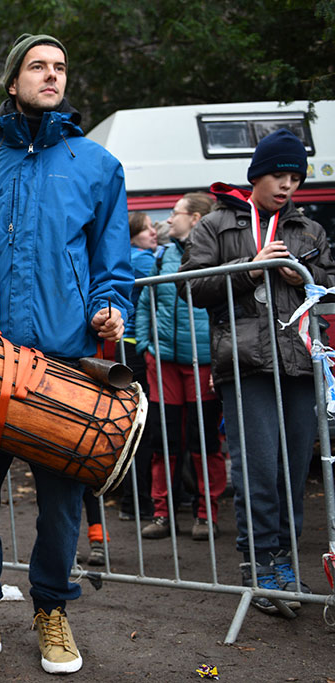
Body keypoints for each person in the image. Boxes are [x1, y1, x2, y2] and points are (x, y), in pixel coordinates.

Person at [0, 34, 132, 673]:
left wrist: (111, 305)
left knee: (62, 504)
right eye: (38, 66)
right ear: (13, 81)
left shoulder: (97, 165)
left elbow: (110, 265)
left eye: (60, 67)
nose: (51, 75)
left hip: (64, 366)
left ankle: (53, 614)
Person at [180, 129, 333, 613]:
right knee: (259, 469)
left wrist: (308, 278)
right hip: (245, 364)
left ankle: (284, 563)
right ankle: (259, 565)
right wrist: (249, 268)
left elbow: (329, 283)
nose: (287, 186)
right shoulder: (217, 224)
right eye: (278, 175)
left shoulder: (307, 230)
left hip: (300, 361)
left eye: (294, 177)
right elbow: (191, 288)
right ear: (255, 176)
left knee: (292, 472)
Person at [137, 192, 224, 542]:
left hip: (202, 363)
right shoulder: (162, 256)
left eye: (175, 213)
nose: (169, 220)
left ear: (198, 219)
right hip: (164, 363)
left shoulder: (217, 255)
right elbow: (146, 302)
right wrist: (147, 347)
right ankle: (161, 514)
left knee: (205, 442)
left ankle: (207, 515)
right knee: (164, 440)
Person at [116, 212, 158, 522]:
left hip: (119, 348)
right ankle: (141, 501)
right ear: (133, 236)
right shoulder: (143, 260)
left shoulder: (121, 256)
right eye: (147, 230)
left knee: (128, 425)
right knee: (145, 426)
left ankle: (130, 501)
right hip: (136, 348)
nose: (154, 233)